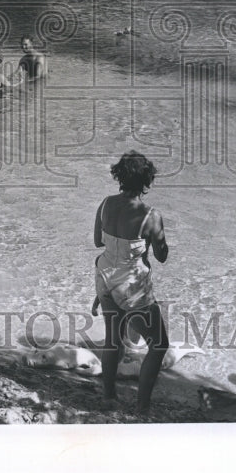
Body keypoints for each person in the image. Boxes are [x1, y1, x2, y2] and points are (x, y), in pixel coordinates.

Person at [93, 151, 169, 413]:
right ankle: (142, 408)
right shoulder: (151, 215)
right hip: (132, 286)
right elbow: (161, 256)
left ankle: (108, 396)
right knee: (159, 345)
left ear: (120, 177)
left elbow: (98, 241)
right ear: (147, 181)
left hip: (105, 276)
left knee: (113, 339)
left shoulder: (105, 204)